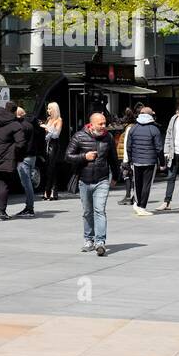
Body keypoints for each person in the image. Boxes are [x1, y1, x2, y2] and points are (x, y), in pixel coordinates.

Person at [66, 111, 122, 255]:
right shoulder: (79, 136)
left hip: (102, 180)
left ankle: (100, 242)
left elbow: (113, 159)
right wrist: (84, 156)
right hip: (84, 181)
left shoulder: (108, 137)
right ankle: (88, 240)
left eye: (105, 123)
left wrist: (116, 176)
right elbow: (68, 156)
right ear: (92, 124)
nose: (104, 126)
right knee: (87, 212)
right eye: (101, 124)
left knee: (99, 210)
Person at [125, 107, 163, 215]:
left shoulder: (134, 128)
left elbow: (128, 147)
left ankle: (137, 203)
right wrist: (162, 163)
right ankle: (142, 206)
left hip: (136, 161)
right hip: (150, 161)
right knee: (147, 184)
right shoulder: (154, 129)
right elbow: (159, 148)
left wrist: (130, 160)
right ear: (151, 116)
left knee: (137, 183)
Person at [161, 101, 179, 211]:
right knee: (170, 177)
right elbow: (169, 134)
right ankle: (167, 201)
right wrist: (166, 151)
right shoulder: (174, 119)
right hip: (174, 153)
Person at [14, 105, 42, 218]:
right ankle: (29, 207)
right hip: (33, 156)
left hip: (24, 157)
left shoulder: (21, 126)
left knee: (27, 184)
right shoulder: (32, 124)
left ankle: (30, 208)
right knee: (28, 182)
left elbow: (20, 143)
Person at [41, 102, 63, 199]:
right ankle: (51, 191)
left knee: (51, 168)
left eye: (50, 109)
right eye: (48, 109)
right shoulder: (49, 119)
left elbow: (56, 134)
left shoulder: (59, 120)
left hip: (54, 145)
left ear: (54, 109)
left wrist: (46, 127)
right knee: (48, 168)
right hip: (47, 144)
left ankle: (48, 191)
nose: (48, 111)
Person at [117, 108, 137, 206]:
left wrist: (125, 160)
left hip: (127, 157)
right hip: (132, 156)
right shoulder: (135, 126)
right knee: (131, 176)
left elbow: (126, 145)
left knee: (127, 176)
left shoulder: (129, 128)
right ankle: (132, 196)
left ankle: (128, 196)